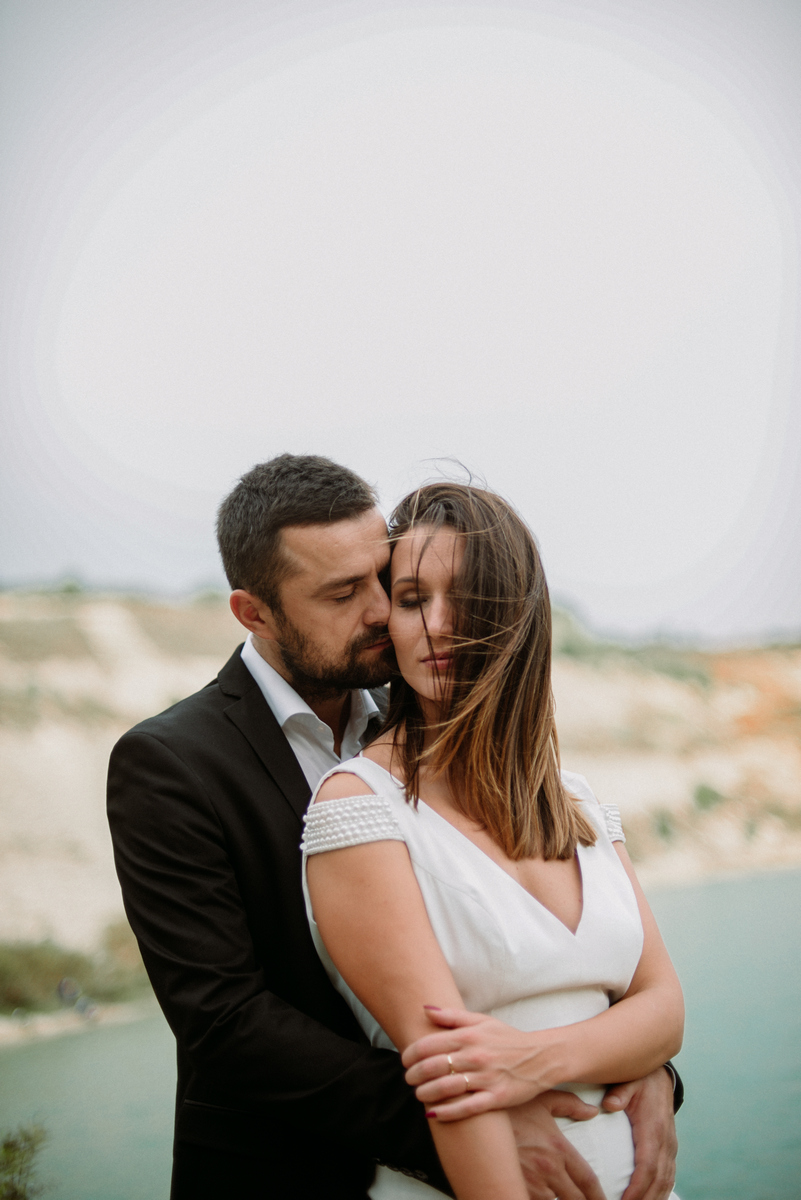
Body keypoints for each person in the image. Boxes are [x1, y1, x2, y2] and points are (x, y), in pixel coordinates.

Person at [107, 454, 680, 1200]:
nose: (383, 611)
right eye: (344, 593)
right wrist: (474, 1110)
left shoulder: (434, 716)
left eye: (383, 578)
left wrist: (640, 1068)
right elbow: (226, 1023)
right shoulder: (172, 763)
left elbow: (563, 965)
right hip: (295, 1177)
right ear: (255, 614)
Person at [302, 481, 684, 1200]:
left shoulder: (573, 800)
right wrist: (569, 1055)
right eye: (411, 599)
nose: (436, 624)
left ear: (516, 613)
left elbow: (663, 1009)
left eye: (467, 598)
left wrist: (530, 1060)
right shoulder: (359, 808)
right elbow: (453, 1083)